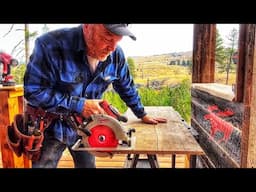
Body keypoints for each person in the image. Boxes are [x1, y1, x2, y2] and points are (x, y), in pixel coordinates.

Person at [23, 24, 167, 168]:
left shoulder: (116, 55)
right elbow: (33, 91)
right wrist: (80, 105)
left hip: (88, 127)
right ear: (87, 26)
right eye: (107, 38)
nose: (112, 48)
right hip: (50, 127)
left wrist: (142, 113)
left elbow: (126, 87)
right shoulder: (50, 45)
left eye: (118, 40)